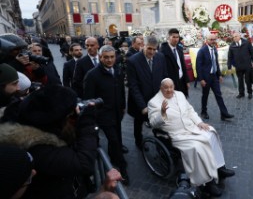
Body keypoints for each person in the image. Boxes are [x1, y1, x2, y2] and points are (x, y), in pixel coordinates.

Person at [0, 85, 99, 198]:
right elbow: (83, 163)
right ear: (55, 121)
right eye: (68, 115)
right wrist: (87, 123)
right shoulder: (35, 145)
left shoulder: (24, 117)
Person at [148, 78, 235, 197]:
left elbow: (190, 111)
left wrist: (199, 123)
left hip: (191, 127)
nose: (169, 90)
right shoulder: (154, 102)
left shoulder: (179, 94)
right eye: (166, 87)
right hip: (177, 134)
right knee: (197, 147)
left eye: (171, 87)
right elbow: (153, 123)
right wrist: (162, 113)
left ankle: (219, 167)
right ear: (161, 88)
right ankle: (207, 183)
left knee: (211, 132)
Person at [83, 45, 129, 185]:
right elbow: (88, 99)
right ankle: (123, 168)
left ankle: (113, 157)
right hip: (103, 115)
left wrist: (122, 107)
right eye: (106, 57)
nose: (109, 60)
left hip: (117, 113)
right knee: (115, 141)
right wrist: (95, 117)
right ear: (100, 57)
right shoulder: (92, 75)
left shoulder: (118, 70)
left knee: (117, 138)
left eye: (112, 57)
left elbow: (121, 90)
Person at [126, 36, 168, 149]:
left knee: (159, 122)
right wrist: (142, 106)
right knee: (138, 122)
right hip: (140, 100)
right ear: (143, 45)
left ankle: (161, 146)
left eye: (154, 49)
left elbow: (164, 77)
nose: (152, 52)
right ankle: (139, 142)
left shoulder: (160, 57)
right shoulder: (132, 61)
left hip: (156, 99)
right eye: (149, 48)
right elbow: (133, 86)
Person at [196, 34, 234, 121]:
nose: (213, 41)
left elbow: (216, 63)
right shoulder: (202, 51)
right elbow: (198, 66)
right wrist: (201, 79)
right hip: (206, 77)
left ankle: (224, 114)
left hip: (214, 77)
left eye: (214, 39)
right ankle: (203, 112)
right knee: (205, 95)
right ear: (207, 40)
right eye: (211, 39)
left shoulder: (214, 49)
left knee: (218, 95)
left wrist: (219, 75)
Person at [159, 28, 189, 97]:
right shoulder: (163, 51)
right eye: (173, 37)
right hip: (171, 83)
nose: (176, 39)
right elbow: (162, 69)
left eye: (177, 37)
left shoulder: (179, 48)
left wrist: (186, 80)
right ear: (169, 37)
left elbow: (183, 65)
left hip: (181, 81)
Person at [227, 32, 253, 99]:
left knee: (248, 80)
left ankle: (250, 93)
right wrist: (229, 66)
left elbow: (252, 53)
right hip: (238, 66)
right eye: (234, 37)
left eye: (236, 36)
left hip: (247, 65)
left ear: (240, 36)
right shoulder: (232, 46)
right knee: (240, 80)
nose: (235, 38)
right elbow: (230, 57)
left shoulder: (246, 43)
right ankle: (241, 93)